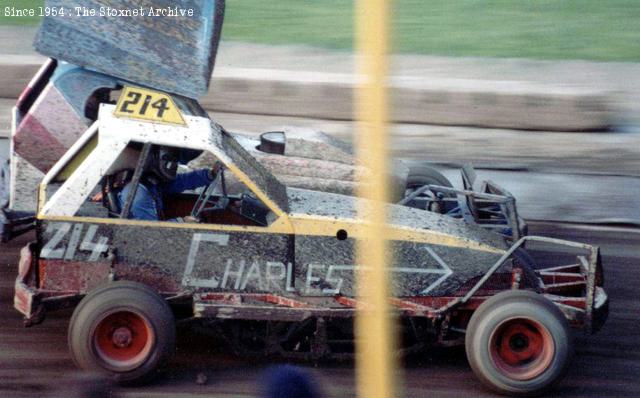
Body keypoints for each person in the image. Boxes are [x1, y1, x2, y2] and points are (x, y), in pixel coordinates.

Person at [117, 146, 220, 221]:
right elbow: (150, 233)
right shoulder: (138, 195)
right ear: (152, 159)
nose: (175, 164)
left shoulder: (150, 183)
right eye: (171, 158)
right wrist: (182, 222)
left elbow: (180, 182)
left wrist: (210, 174)